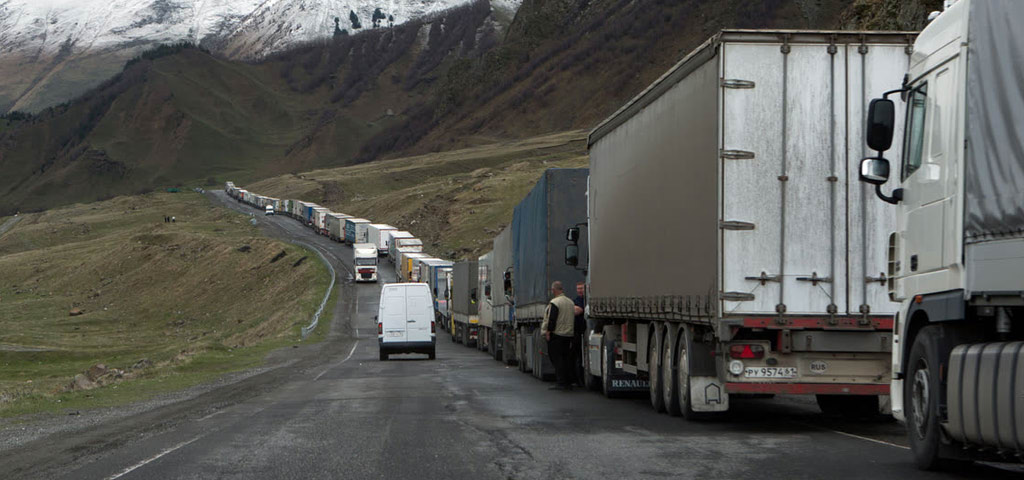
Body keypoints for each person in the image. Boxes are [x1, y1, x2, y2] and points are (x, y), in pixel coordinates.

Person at [542, 281, 576, 390]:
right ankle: (568, 382)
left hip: (557, 334)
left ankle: (560, 382)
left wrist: (548, 332)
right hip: (569, 334)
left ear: (554, 290)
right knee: (566, 359)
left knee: (557, 359)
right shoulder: (570, 302)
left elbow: (552, 319)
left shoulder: (555, 302)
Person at [571, 281, 586, 386]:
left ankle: (580, 379)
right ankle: (577, 379)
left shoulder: (585, 300)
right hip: (576, 333)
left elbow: (579, 310)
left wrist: (578, 309)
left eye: (582, 288)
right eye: (578, 289)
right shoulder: (576, 300)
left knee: (581, 357)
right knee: (576, 357)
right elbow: (576, 310)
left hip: (583, 332)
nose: (580, 290)